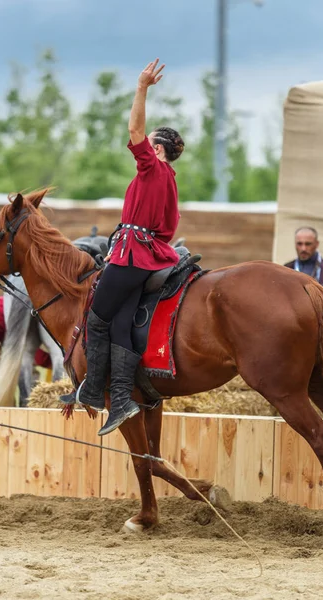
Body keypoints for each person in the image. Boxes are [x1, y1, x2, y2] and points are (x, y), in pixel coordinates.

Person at [75, 59, 185, 436]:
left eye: (147, 142)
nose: (140, 144)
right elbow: (169, 229)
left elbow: (134, 127)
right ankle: (119, 400)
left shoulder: (152, 169)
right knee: (120, 322)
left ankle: (96, 391)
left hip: (131, 255)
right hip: (145, 257)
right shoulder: (169, 179)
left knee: (96, 317)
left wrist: (141, 87)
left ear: (157, 149)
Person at [284, 226, 323, 299]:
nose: (303, 248)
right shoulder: (287, 268)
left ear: (316, 244)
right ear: (295, 244)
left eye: (308, 244)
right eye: (299, 244)